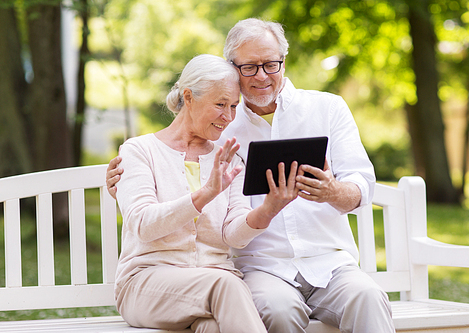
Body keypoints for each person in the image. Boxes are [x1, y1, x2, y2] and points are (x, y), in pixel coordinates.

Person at [108, 19, 396, 333]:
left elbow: (362, 187)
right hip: (260, 269)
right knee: (277, 311)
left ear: (284, 62)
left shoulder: (326, 109)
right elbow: (162, 180)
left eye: (271, 64)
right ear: (233, 69)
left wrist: (331, 191)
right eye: (249, 67)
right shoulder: (219, 130)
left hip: (330, 264)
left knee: (369, 297)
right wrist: (125, 184)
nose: (261, 76)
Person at [112, 54, 300, 333]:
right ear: (188, 97)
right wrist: (206, 194)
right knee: (227, 284)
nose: (228, 116)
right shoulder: (139, 151)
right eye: (220, 104)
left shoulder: (229, 159)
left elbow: (232, 235)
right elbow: (143, 225)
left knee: (213, 328)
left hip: (211, 290)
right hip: (147, 284)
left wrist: (269, 209)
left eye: (234, 106)